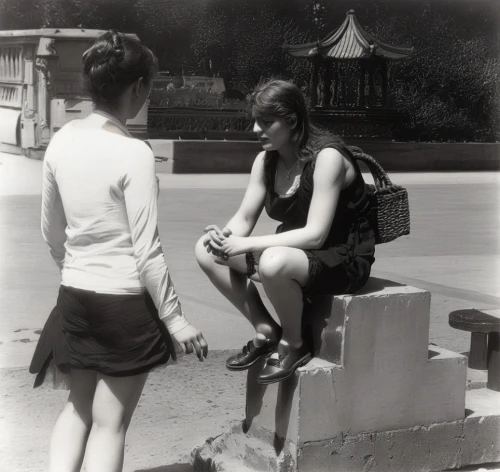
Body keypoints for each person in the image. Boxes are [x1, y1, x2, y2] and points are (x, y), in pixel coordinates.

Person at [30, 31, 208, 472]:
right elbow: (147, 251)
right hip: (124, 303)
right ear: (137, 88)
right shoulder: (134, 153)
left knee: (77, 409)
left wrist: (75, 268)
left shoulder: (62, 139)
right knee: (110, 424)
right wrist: (175, 319)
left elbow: (50, 232)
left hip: (75, 294)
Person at [195, 79, 374, 385]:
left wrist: (247, 244)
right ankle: (265, 329)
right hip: (297, 255)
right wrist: (224, 237)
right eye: (255, 121)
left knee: (272, 262)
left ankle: (294, 343)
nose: (256, 130)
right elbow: (245, 215)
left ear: (291, 121)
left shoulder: (327, 157)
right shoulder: (266, 160)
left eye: (266, 122)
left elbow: (316, 235)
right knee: (206, 250)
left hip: (341, 259)